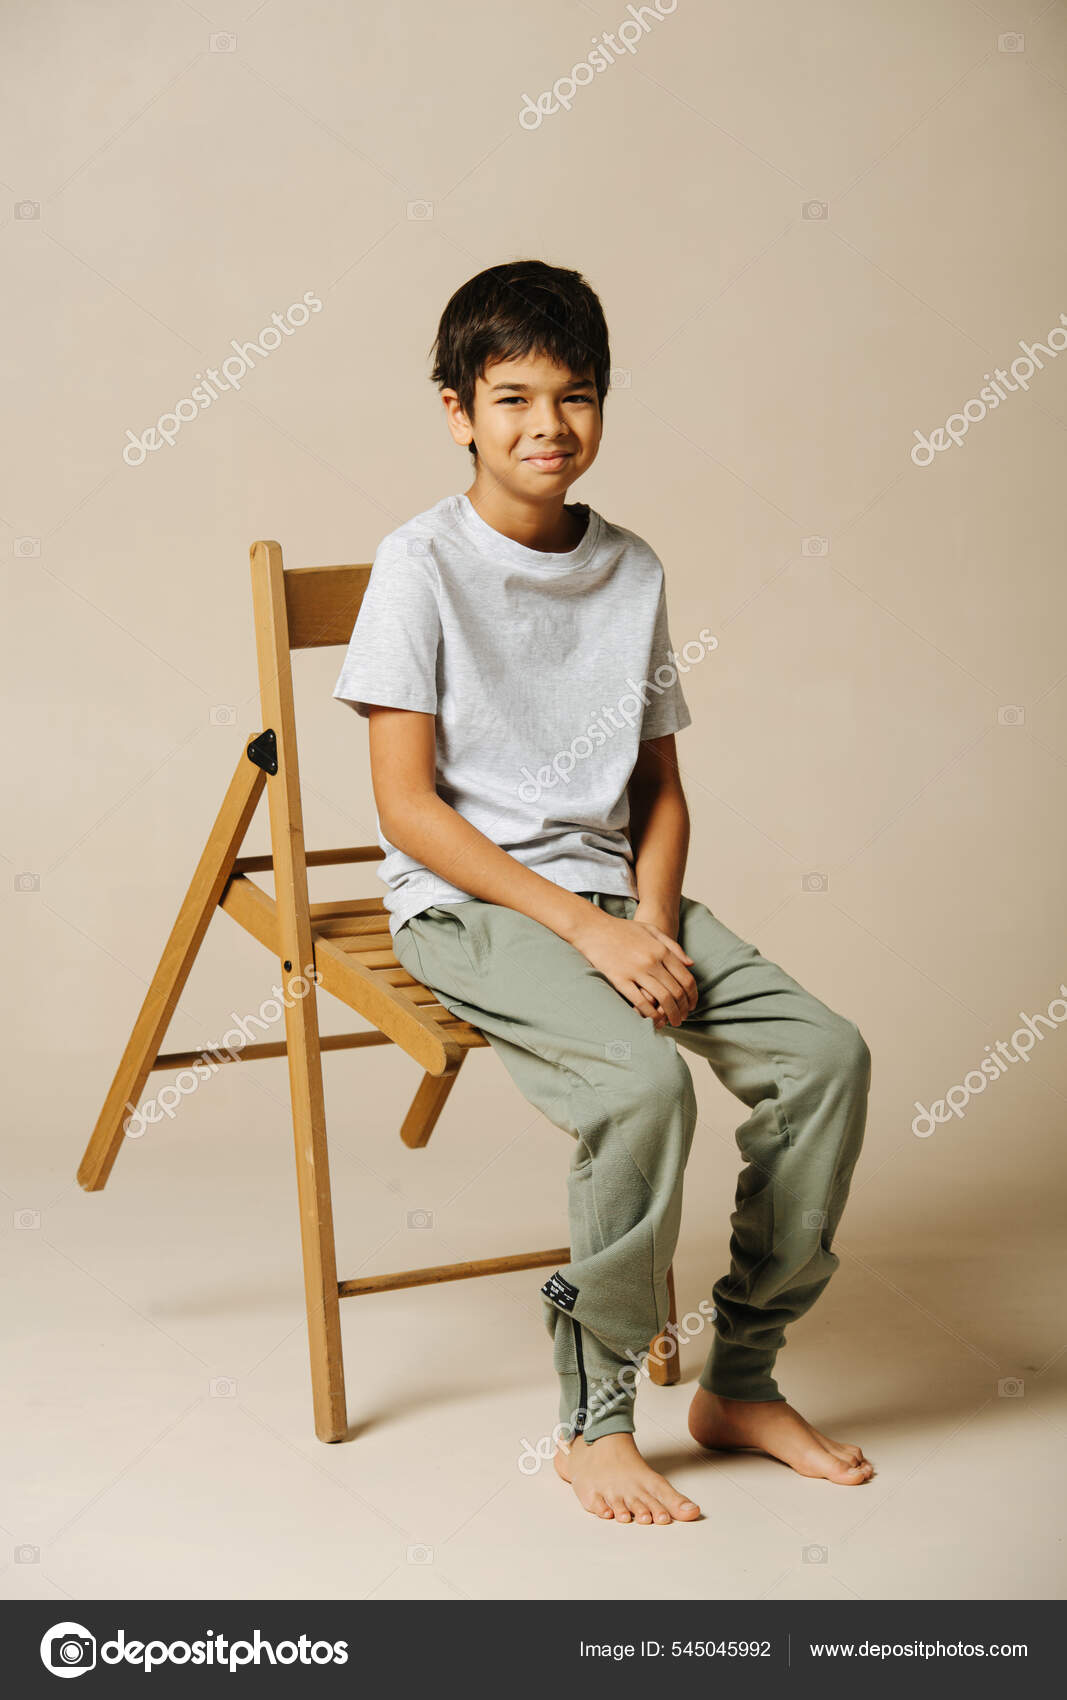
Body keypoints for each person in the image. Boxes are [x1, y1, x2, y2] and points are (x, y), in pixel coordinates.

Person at [332, 259, 874, 1525]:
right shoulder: (416, 563)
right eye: (510, 395)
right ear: (457, 410)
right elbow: (406, 808)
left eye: (573, 396)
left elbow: (660, 790)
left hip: (610, 898)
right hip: (471, 903)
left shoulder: (630, 567)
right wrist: (582, 925)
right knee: (638, 1089)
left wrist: (648, 920)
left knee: (827, 1056)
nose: (545, 426)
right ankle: (593, 1421)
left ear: (602, 406)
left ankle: (741, 1377)